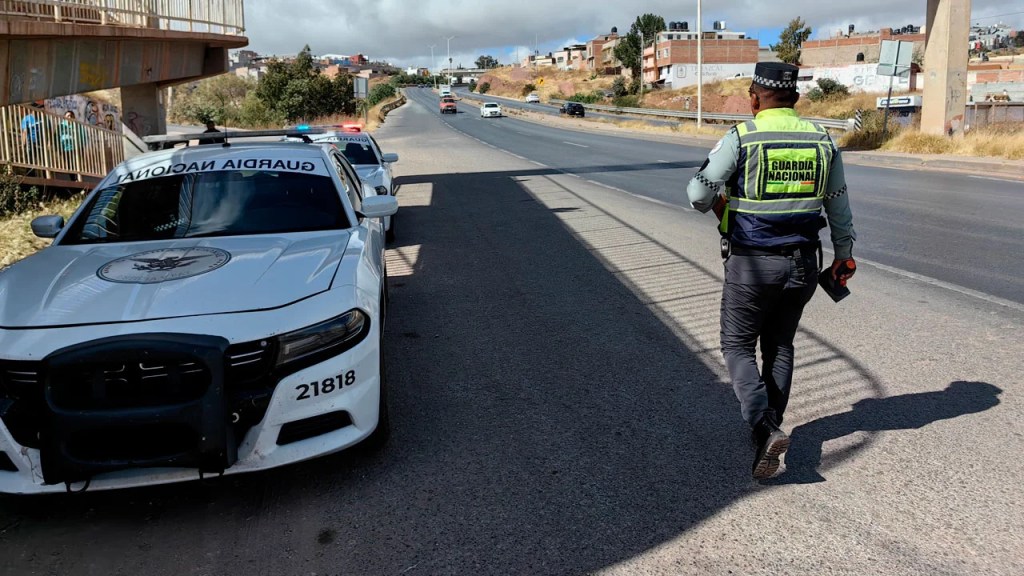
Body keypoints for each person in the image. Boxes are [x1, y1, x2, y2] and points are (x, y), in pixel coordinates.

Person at [685, 62, 857, 480]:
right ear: (795, 98)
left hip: (752, 263)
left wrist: (721, 204)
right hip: (803, 262)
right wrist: (843, 255)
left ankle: (764, 426)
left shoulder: (742, 137)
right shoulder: (823, 140)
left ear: (754, 97)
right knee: (780, 344)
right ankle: (770, 427)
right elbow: (838, 205)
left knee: (738, 345)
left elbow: (697, 194)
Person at [58, 110, 86, 177]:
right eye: (68, 116)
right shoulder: (61, 126)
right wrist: (58, 148)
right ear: (65, 117)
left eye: (71, 116)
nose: (69, 117)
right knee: (69, 164)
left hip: (76, 148)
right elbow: (57, 137)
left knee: (77, 164)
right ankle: (73, 178)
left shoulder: (78, 125)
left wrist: (82, 146)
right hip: (65, 148)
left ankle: (78, 178)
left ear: (73, 117)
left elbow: (83, 136)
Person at [20, 103, 43, 169]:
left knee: (43, 160)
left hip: (41, 141)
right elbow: (24, 131)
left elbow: (48, 130)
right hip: (30, 141)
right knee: (30, 158)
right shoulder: (27, 118)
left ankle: (45, 175)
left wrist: (49, 143)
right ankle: (31, 173)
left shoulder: (43, 118)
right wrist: (23, 143)